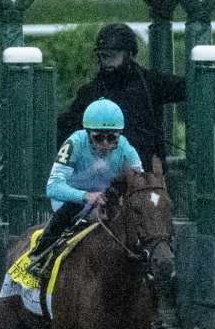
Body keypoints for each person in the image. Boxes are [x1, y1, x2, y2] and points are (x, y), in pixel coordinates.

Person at [26, 99, 143, 281]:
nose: (105, 144)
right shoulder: (75, 143)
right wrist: (85, 196)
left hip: (106, 199)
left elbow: (140, 184)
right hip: (73, 199)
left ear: (119, 135)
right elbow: (52, 187)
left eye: (112, 138)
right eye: (98, 137)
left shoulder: (125, 148)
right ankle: (40, 255)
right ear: (87, 133)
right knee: (71, 207)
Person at [56, 23, 186, 171]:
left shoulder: (151, 83)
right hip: (106, 177)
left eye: (113, 56)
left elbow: (186, 87)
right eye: (103, 56)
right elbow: (67, 130)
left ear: (129, 55)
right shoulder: (90, 93)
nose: (106, 63)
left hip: (146, 177)